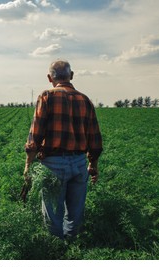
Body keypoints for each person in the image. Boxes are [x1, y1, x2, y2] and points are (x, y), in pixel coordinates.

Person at [23, 59, 103, 240]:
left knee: (53, 213)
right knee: (75, 212)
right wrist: (93, 164)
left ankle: (56, 249)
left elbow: (35, 133)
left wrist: (28, 163)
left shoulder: (47, 96)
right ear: (71, 76)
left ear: (50, 78)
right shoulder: (85, 100)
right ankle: (71, 244)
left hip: (53, 165)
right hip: (79, 163)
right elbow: (95, 137)